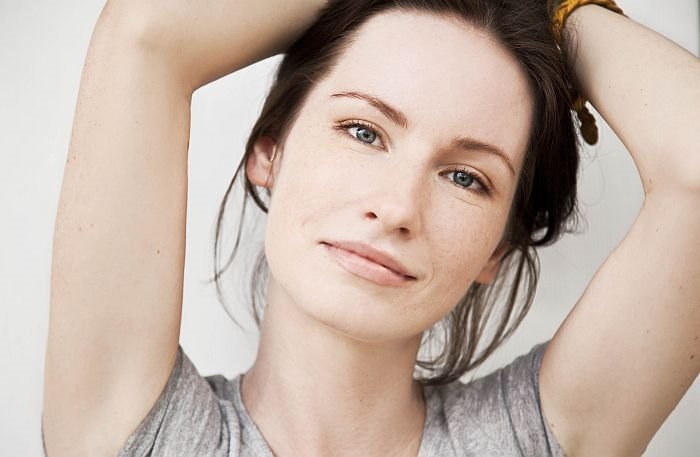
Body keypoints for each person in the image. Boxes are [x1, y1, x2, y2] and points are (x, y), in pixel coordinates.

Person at [42, 0, 699, 455]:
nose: (398, 209)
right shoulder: (132, 429)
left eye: (465, 177)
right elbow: (146, 32)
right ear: (270, 150)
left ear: (496, 248)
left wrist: (557, 8)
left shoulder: (528, 440)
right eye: (363, 131)